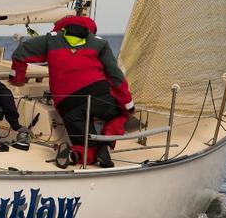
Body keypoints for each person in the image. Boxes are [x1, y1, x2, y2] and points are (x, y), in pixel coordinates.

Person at [10, 16, 134, 168]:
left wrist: (18, 79)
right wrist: (128, 104)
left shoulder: (50, 40)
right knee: (122, 113)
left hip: (67, 102)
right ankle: (106, 146)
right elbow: (115, 76)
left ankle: (74, 155)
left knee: (85, 144)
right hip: (97, 94)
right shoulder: (100, 43)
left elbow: (20, 53)